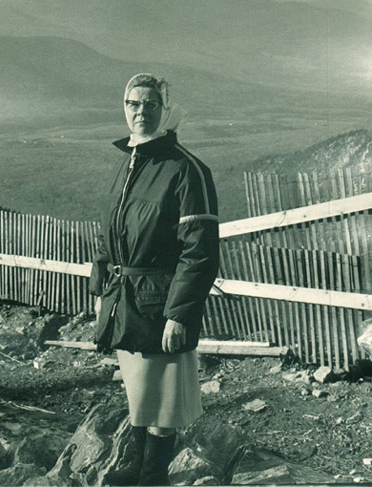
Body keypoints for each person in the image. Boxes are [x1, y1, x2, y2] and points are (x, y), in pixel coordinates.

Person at [89, 73, 219, 486]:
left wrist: (179, 314)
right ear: (124, 107)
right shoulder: (127, 163)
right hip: (126, 299)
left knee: (164, 403)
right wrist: (100, 288)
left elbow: (199, 252)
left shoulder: (186, 169)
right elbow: (109, 232)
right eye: (133, 103)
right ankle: (139, 470)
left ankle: (153, 477)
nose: (141, 111)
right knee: (140, 394)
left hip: (161, 304)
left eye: (150, 104)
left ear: (166, 110)